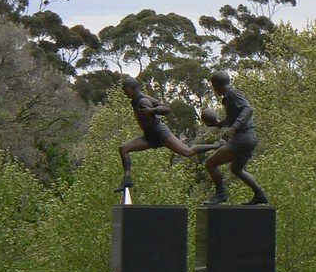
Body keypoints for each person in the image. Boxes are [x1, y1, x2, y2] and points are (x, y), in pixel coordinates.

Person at [115, 76, 219, 193]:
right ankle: (127, 178)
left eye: (126, 89)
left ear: (132, 88)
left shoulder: (143, 99)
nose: (124, 92)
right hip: (149, 136)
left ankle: (215, 146)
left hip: (160, 133)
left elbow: (166, 109)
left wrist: (152, 111)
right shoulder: (135, 100)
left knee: (187, 152)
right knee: (123, 148)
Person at [202, 70, 268, 205]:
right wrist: (221, 124)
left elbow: (248, 109)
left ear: (215, 85)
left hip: (242, 140)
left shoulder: (233, 93)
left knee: (210, 164)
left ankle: (220, 194)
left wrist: (233, 128)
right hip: (249, 140)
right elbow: (234, 115)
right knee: (236, 169)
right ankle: (260, 194)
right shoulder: (228, 97)